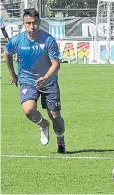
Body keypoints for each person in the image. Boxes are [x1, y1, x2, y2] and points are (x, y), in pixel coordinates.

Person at [4, 8, 66, 154]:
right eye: (28, 23)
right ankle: (44, 125)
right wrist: (12, 73)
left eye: (35, 23)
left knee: (55, 115)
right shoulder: (18, 40)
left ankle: (61, 139)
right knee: (28, 110)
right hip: (27, 80)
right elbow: (7, 53)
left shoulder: (48, 40)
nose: (32, 27)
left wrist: (46, 77)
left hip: (48, 81)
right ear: (24, 24)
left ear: (39, 22)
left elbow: (56, 64)